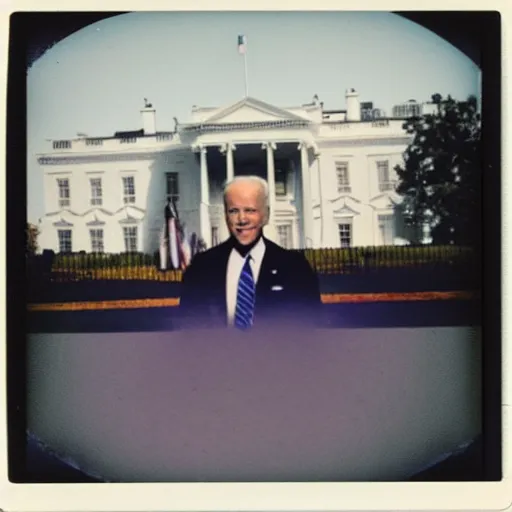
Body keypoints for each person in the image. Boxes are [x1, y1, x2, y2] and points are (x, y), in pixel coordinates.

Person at [178, 175, 322, 330]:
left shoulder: (295, 268)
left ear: (265, 215)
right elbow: (188, 331)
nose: (242, 219)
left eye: (250, 210)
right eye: (233, 211)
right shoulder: (201, 268)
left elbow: (312, 328)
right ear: (226, 216)